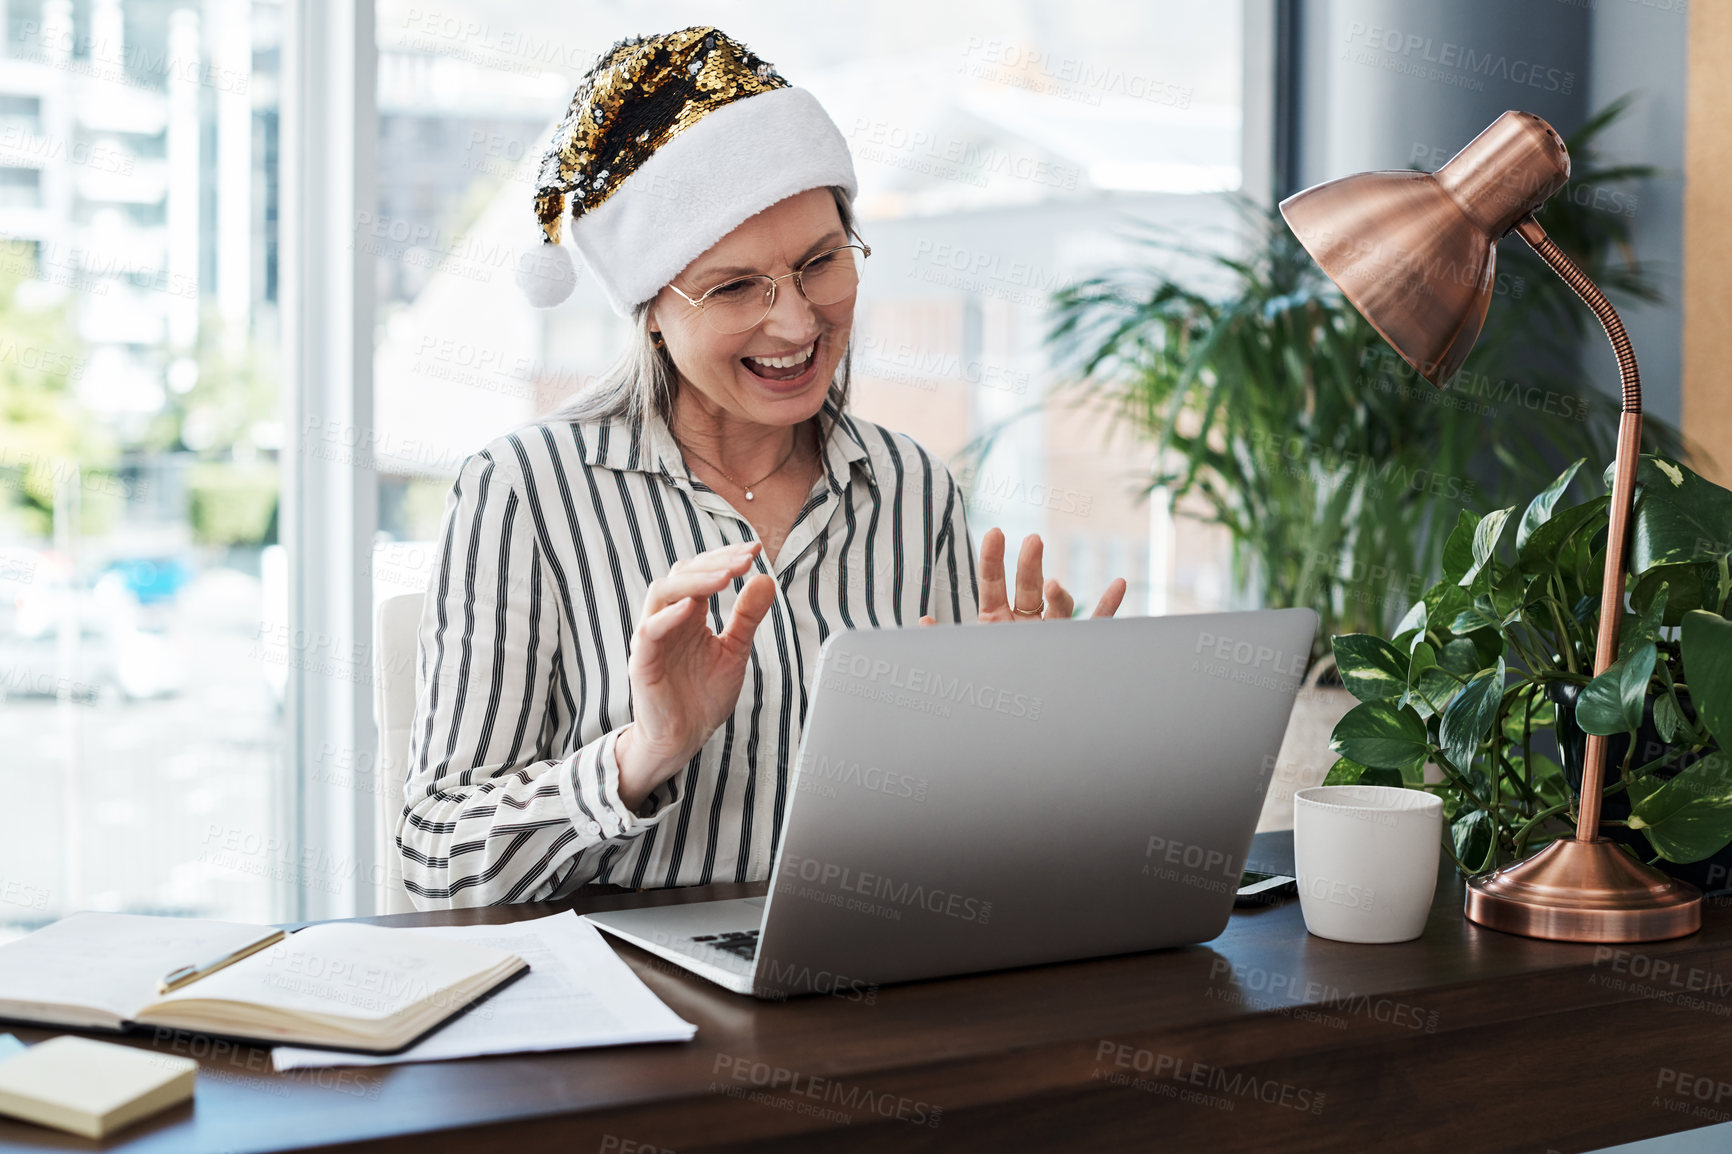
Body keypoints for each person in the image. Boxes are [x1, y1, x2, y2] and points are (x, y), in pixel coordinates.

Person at [399, 27, 1127, 908]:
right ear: (652, 313)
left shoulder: (913, 489)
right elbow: (438, 859)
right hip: (635, 1014)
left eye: (821, 262)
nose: (796, 323)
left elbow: (955, 839)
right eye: (736, 287)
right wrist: (648, 750)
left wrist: (1020, 732)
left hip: (874, 983)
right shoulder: (525, 493)